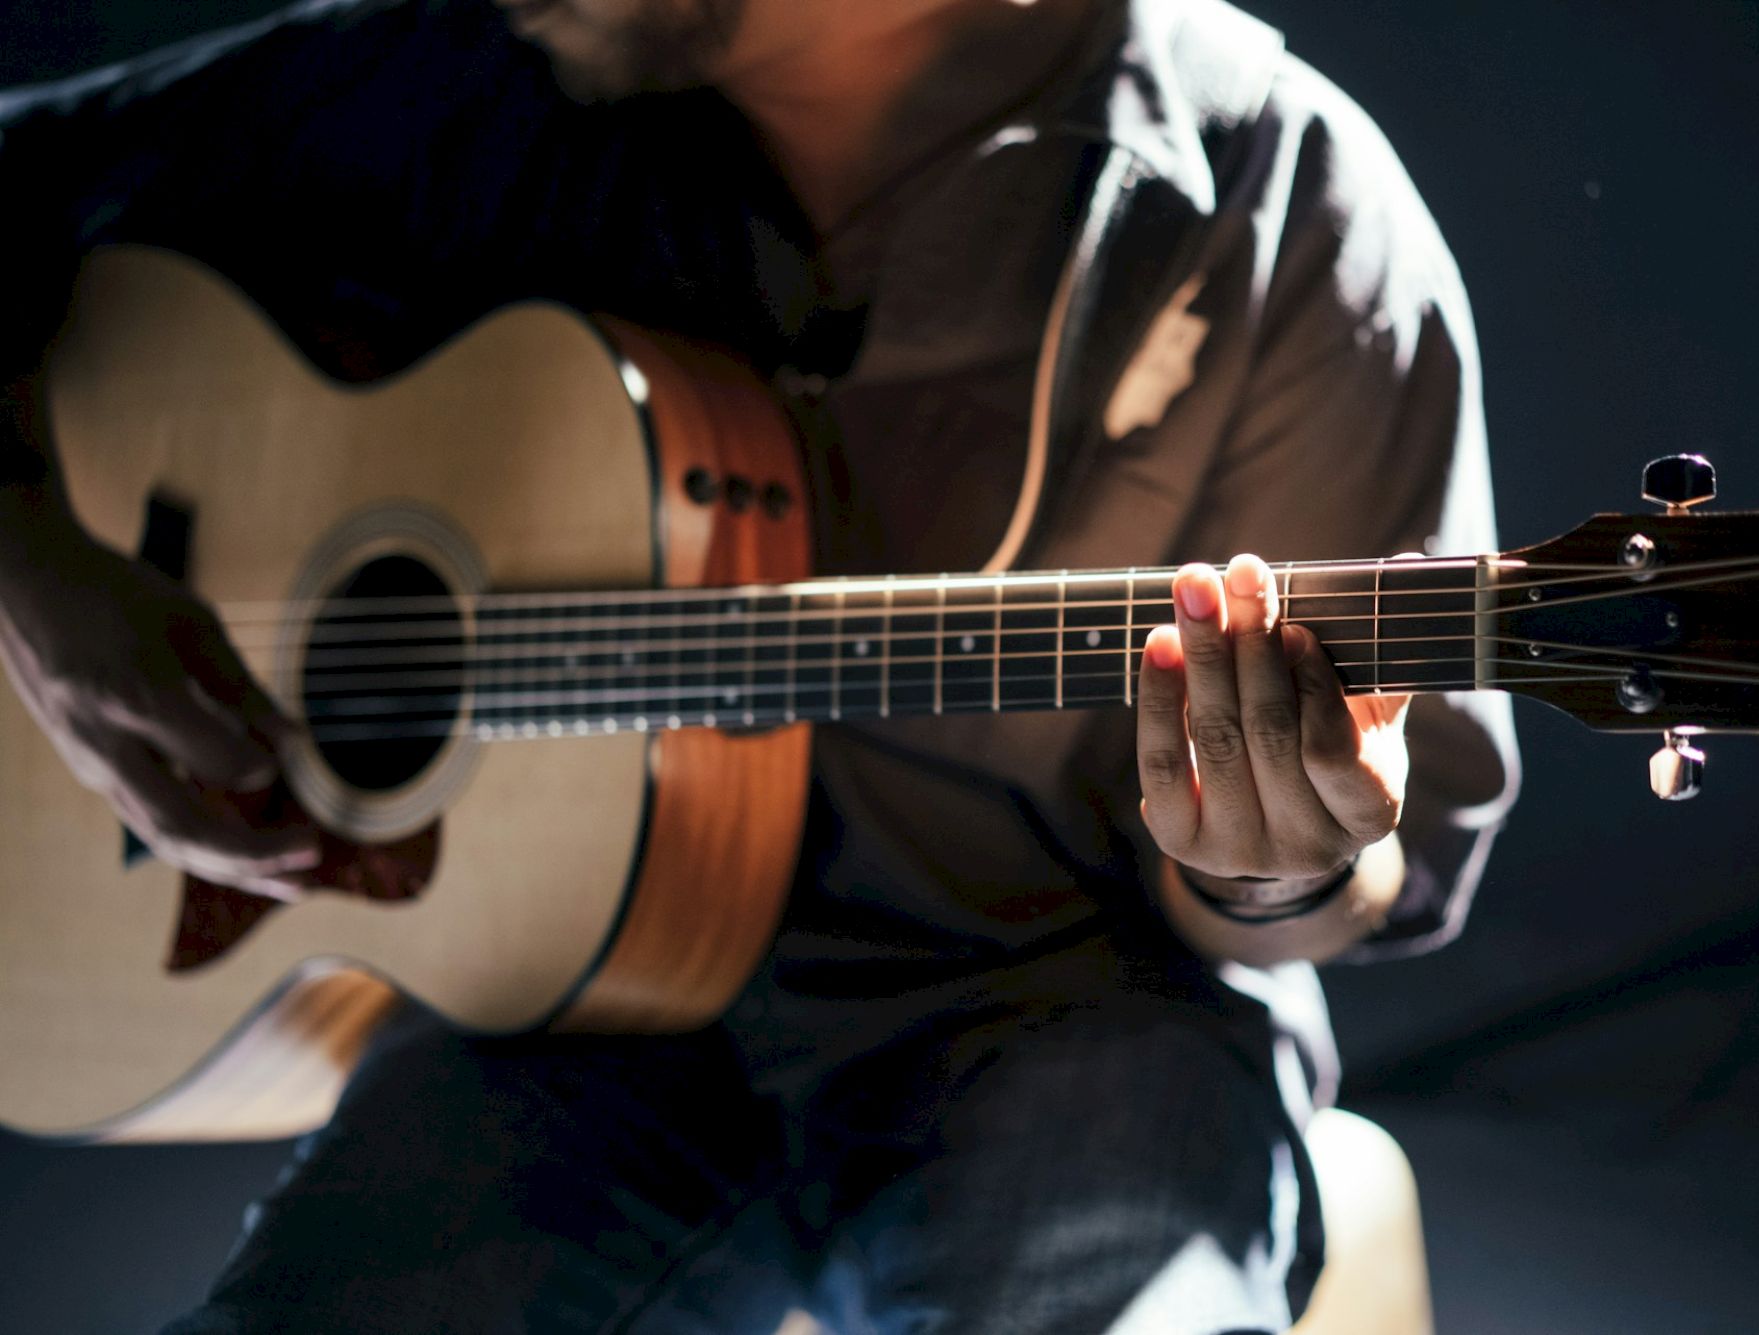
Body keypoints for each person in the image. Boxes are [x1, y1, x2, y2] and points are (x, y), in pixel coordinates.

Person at [0, 0, 1518, 1329]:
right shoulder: (466, 76)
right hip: (562, 1028)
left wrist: (1275, 858)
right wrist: (36, 574)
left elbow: (1355, 882)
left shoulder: (1281, 200)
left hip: (1078, 1010)